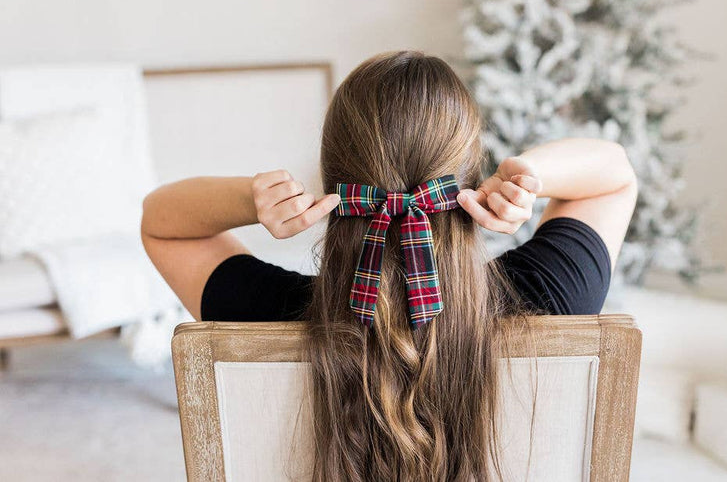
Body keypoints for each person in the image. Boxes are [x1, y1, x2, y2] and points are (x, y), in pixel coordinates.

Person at [141, 51, 636, 481]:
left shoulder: (266, 312)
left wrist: (253, 200)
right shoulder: (547, 296)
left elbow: (160, 221)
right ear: (467, 177)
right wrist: (527, 176)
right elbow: (615, 174)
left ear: (333, 181)